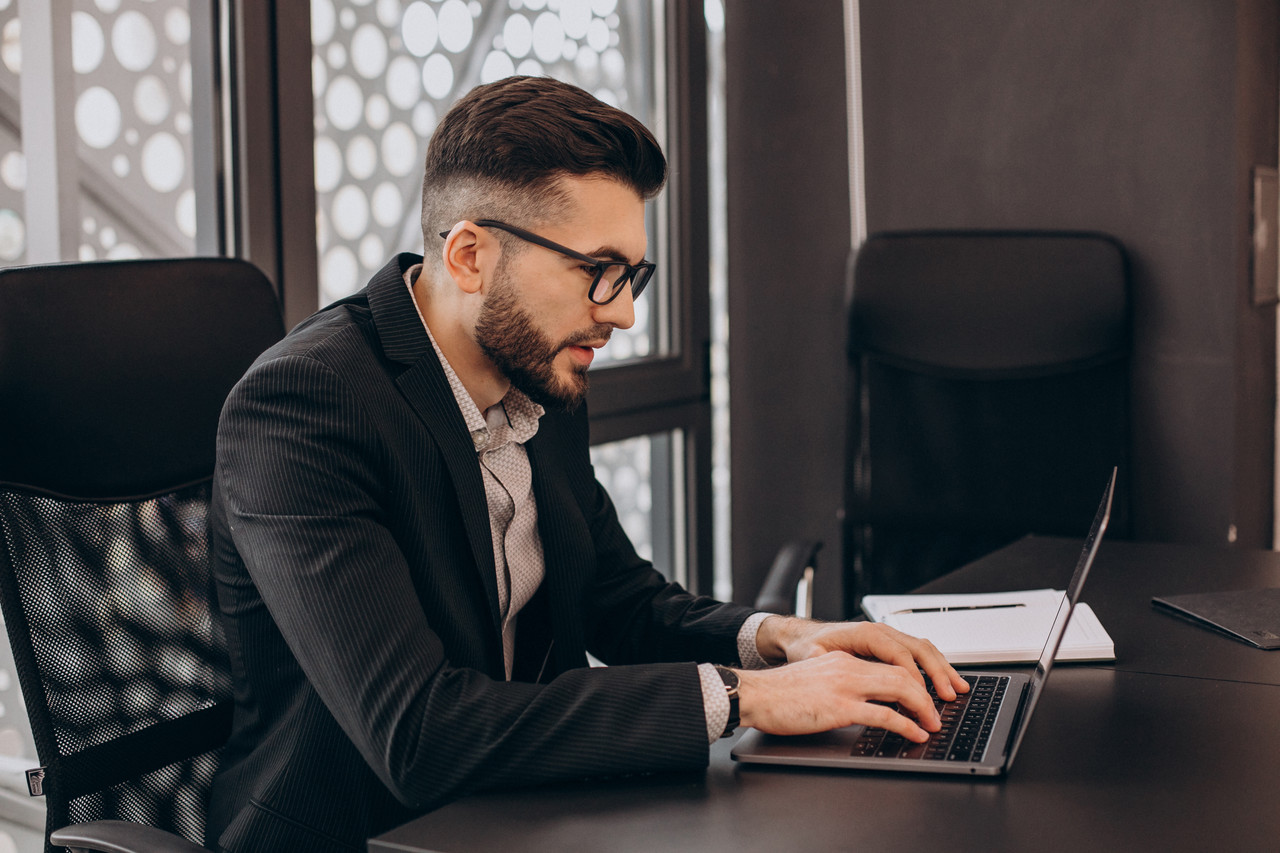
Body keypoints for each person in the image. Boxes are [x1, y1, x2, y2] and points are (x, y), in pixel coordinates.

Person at [207, 75, 968, 853]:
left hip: (526, 808)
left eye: (632, 275)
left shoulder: (539, 369)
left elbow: (615, 594)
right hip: (370, 833)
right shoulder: (306, 405)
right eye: (597, 270)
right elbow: (420, 732)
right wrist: (749, 698)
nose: (622, 311)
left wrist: (781, 641)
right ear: (469, 255)